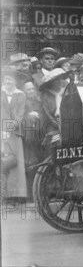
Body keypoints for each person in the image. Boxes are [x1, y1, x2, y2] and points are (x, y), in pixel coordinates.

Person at [1, 70, 28, 201]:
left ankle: (15, 196)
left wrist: (10, 127)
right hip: (1, 131)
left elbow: (20, 113)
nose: (7, 82)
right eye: (5, 80)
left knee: (16, 164)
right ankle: (3, 195)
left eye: (10, 80)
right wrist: (3, 128)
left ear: (15, 82)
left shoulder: (21, 95)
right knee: (3, 162)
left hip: (15, 132)